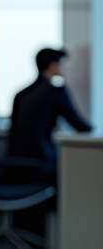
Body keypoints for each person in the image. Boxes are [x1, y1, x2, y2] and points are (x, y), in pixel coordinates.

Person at [8, 47, 92, 181]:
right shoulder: (55, 92)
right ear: (53, 66)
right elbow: (79, 125)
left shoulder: (20, 94)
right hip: (42, 165)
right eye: (61, 64)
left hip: (15, 168)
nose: (63, 68)